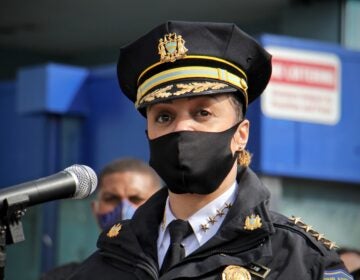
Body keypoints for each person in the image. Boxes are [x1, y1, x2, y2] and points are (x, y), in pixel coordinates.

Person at [68, 20, 353, 280]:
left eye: (202, 113)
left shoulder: (301, 260)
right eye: (164, 117)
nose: (182, 128)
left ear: (241, 135)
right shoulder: (106, 262)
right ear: (148, 134)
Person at [41, 158, 161, 279]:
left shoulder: (172, 273)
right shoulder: (64, 277)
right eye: (111, 198)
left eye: (136, 199)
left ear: (161, 206)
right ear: (95, 209)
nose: (123, 209)